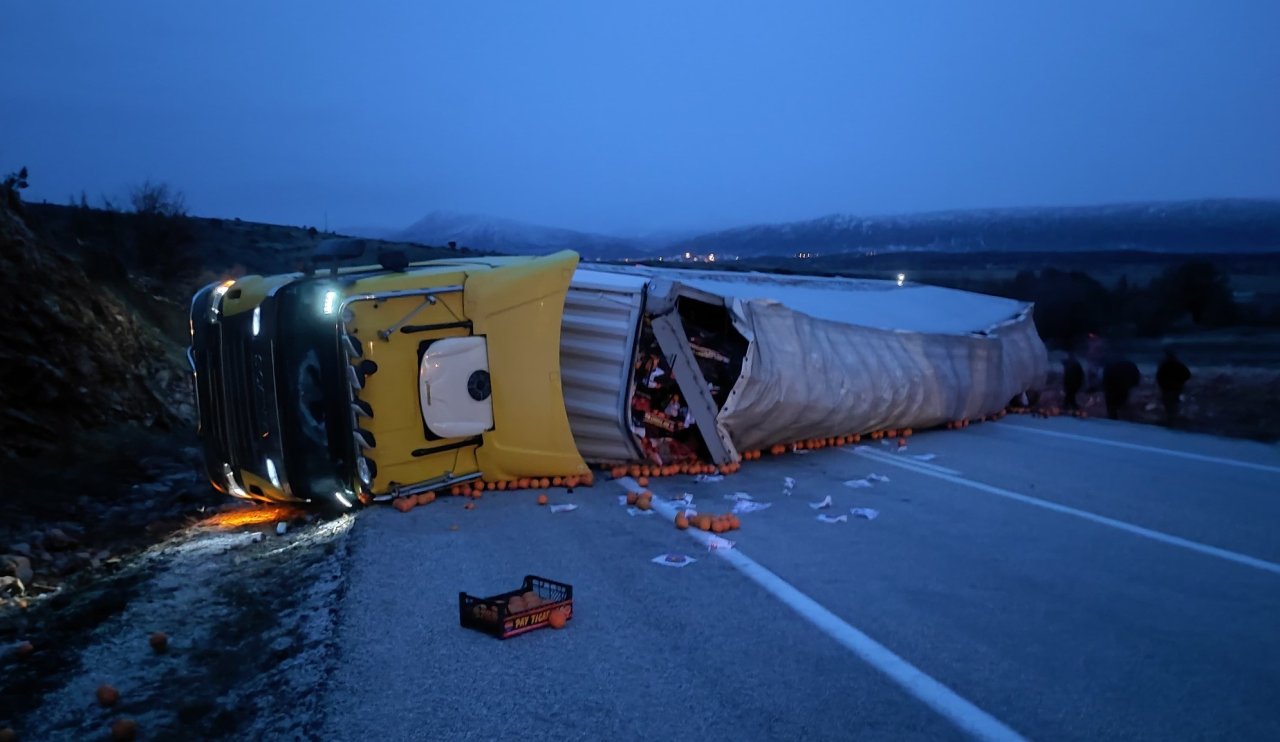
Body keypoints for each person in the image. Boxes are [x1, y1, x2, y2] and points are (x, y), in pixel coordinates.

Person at [1156, 349, 1191, 424]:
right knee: (1174, 403)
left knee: (1168, 404)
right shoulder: (1179, 365)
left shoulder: (1164, 365)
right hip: (1176, 388)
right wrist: (1181, 381)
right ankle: (1173, 418)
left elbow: (1159, 377)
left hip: (1167, 388)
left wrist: (1162, 385)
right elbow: (1187, 375)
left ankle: (1170, 419)